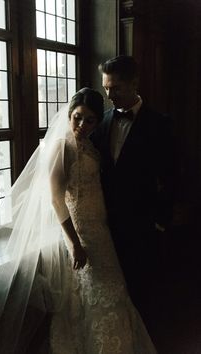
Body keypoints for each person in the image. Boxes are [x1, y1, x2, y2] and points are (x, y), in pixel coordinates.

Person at [0, 88, 157, 354]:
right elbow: (57, 198)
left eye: (90, 120)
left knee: (113, 292)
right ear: (70, 114)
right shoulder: (61, 146)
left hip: (100, 230)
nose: (82, 125)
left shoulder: (89, 144)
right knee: (96, 293)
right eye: (78, 117)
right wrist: (74, 243)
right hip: (80, 233)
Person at [91, 55, 174, 314]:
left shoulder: (160, 124)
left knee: (141, 294)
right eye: (106, 88)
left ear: (134, 83)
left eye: (115, 88)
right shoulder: (101, 121)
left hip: (143, 226)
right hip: (105, 225)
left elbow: (172, 176)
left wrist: (161, 220)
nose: (109, 94)